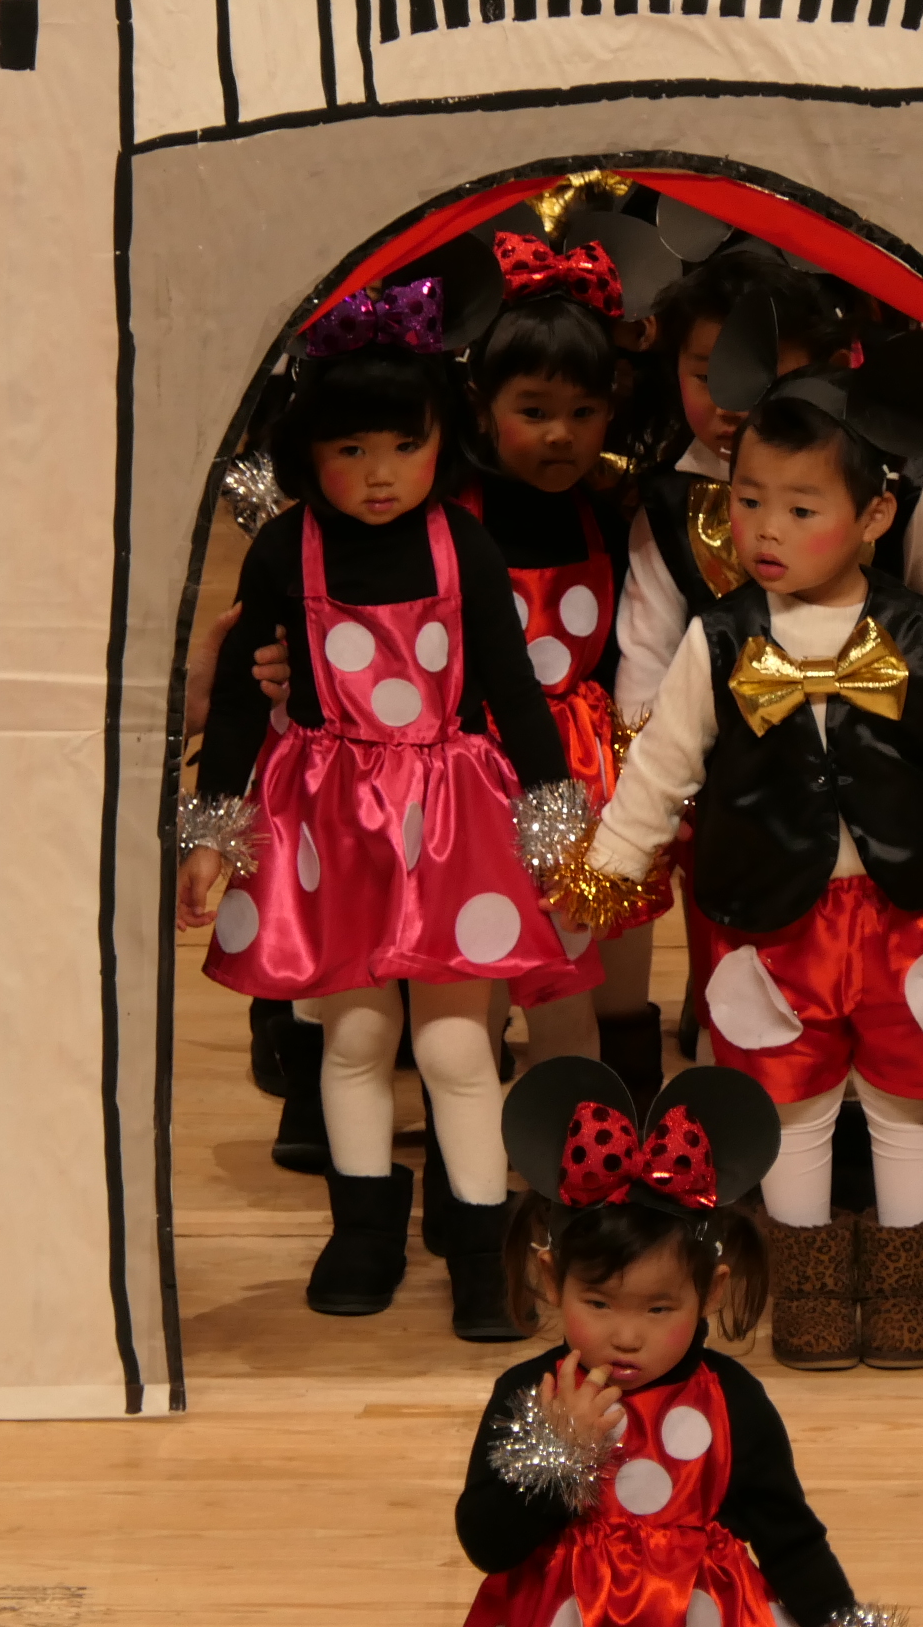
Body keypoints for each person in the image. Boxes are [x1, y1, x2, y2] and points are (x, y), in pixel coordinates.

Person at [551, 316, 923, 1372]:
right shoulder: (718, 639)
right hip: (770, 919)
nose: (765, 530)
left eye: (799, 507)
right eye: (747, 503)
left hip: (911, 912)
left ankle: (907, 1296)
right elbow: (659, 771)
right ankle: (813, 1299)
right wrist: (611, 869)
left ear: (875, 515)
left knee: (906, 1099)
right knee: (790, 1104)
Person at [175, 279, 600, 1339]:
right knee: (356, 1038)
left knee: (457, 1049)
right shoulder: (285, 551)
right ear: (306, 453)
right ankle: (362, 1229)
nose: (379, 475)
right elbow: (241, 702)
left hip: (451, 822)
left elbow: (514, 692)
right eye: (351, 450)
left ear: (442, 441)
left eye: (405, 447)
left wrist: (554, 824)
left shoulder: (466, 545)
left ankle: (479, 1242)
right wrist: (213, 832)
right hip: (332, 825)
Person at [458, 1058, 898, 1627]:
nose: (626, 1336)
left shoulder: (732, 1401)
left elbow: (792, 1544)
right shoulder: (531, 1392)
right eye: (598, 1304)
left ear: (711, 1293)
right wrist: (557, 1453)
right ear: (551, 1280)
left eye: (659, 1309)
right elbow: (487, 1544)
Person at [452, 229, 678, 1114]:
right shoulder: (451, 522)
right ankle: (475, 1140)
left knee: (589, 969)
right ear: (482, 408)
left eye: (584, 412)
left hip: (589, 769)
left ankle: (601, 1133)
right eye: (535, 409)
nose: (562, 434)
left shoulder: (612, 514)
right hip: (480, 770)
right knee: (479, 966)